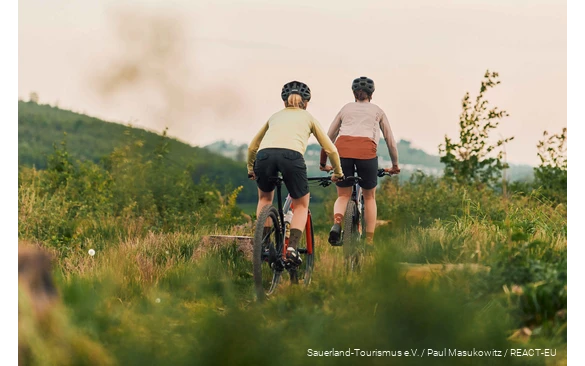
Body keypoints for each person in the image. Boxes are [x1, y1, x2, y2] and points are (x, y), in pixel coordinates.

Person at [247, 80, 345, 268]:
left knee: (265, 199)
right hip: (291, 157)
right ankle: (292, 249)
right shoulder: (308, 117)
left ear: (284, 102)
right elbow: (330, 149)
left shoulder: (274, 116)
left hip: (264, 156)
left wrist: (251, 169)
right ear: (306, 102)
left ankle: (264, 243)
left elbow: (253, 146)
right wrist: (338, 172)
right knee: (300, 205)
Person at [319, 76, 400, 248]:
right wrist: (395, 165)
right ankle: (369, 240)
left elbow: (328, 138)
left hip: (342, 151)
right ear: (371, 94)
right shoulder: (378, 111)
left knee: (343, 195)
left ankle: (337, 224)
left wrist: (323, 162)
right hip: (366, 153)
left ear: (354, 94)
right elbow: (390, 140)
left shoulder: (345, 109)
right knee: (369, 197)